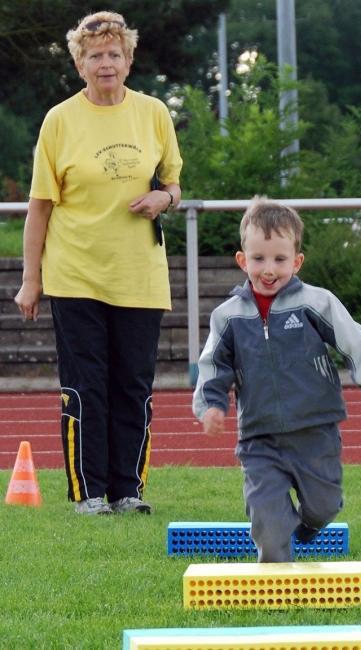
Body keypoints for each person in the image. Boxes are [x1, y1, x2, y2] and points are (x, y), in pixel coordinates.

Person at [14, 11, 182, 515]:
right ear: (79, 65)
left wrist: (164, 201)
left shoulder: (153, 112)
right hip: (76, 273)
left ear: (128, 61)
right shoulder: (59, 120)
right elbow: (39, 207)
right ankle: (88, 494)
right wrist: (30, 279)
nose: (104, 63)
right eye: (94, 56)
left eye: (113, 54)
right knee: (87, 386)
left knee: (133, 384)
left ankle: (128, 491)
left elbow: (172, 183)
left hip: (139, 275)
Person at [193, 197, 361, 561]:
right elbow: (213, 364)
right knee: (269, 523)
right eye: (258, 259)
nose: (268, 269)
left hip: (315, 431)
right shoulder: (228, 317)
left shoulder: (315, 303)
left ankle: (305, 525)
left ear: (297, 261)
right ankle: (276, 583)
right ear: (243, 260)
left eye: (279, 259)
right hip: (260, 438)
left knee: (324, 508)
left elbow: (355, 340)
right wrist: (211, 405)